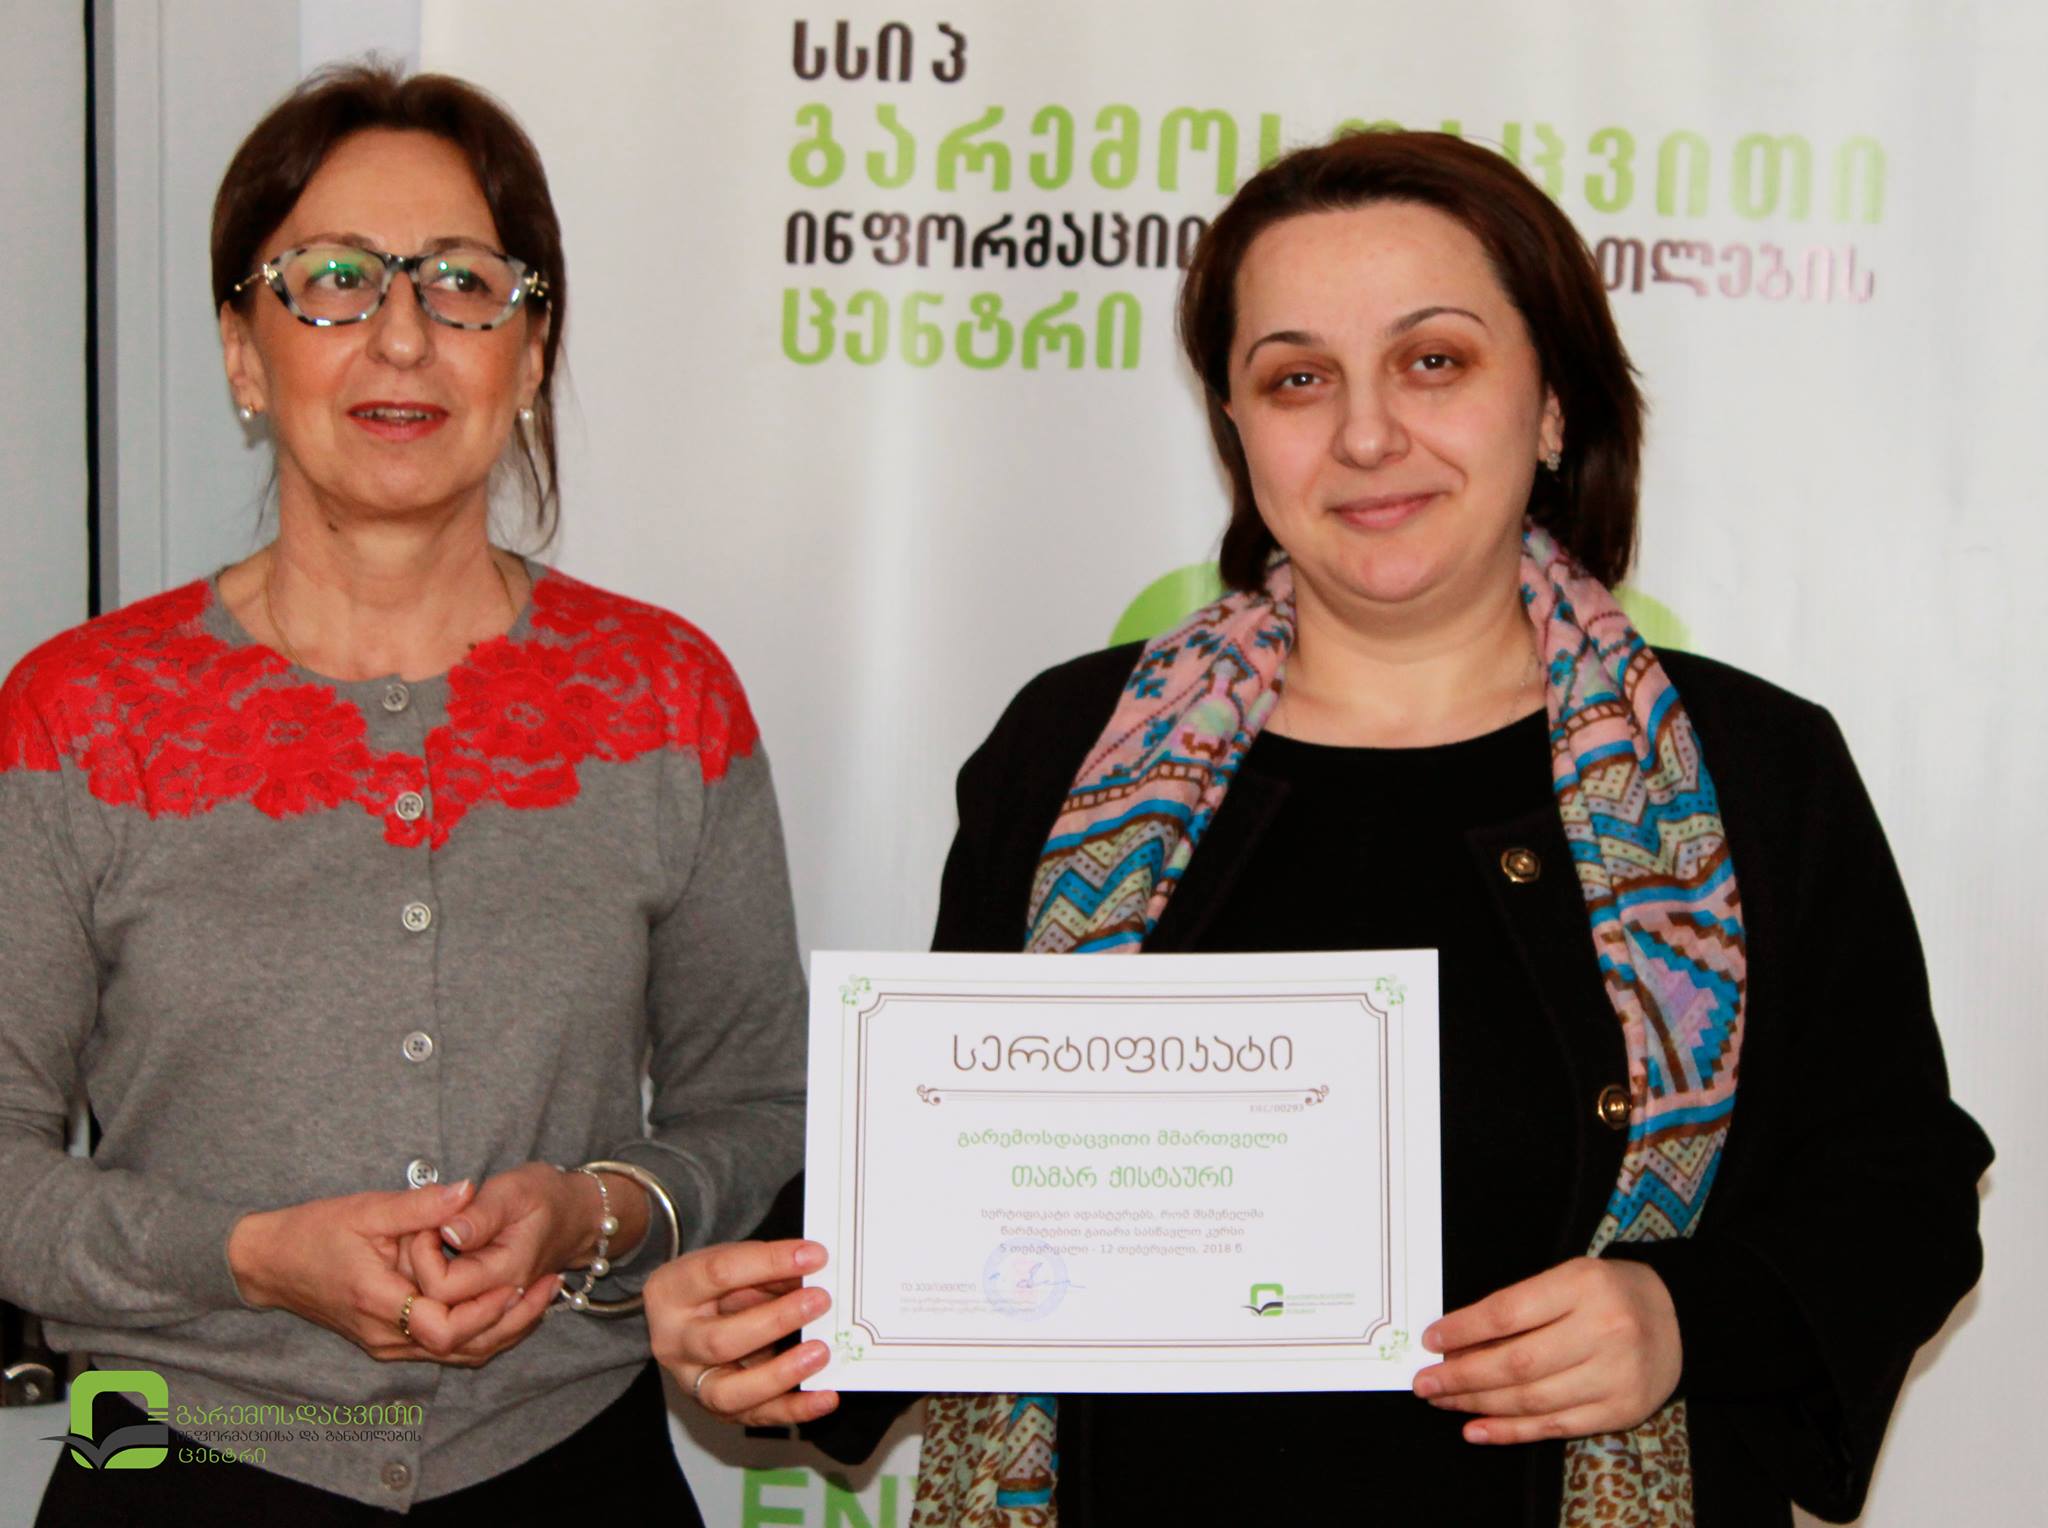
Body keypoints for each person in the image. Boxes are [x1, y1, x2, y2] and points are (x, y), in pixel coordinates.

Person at [648, 130, 1991, 1527]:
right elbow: (967, 1171)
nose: (1364, 435)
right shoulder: (1074, 750)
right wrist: (770, 1318)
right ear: (1236, 426)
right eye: (1298, 378)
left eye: (1434, 362)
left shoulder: (1746, 767)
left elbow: (1899, 1188)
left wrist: (1683, 1315)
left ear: (1551, 405)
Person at [0, 64, 805, 1523]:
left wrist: (594, 1213)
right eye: (331, 281)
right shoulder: (80, 713)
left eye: (461, 284)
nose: (401, 336)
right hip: (165, 1457)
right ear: (243, 353)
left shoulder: (665, 697)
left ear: (531, 353)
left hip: (571, 1461)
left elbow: (759, 1108)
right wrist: (247, 1260)